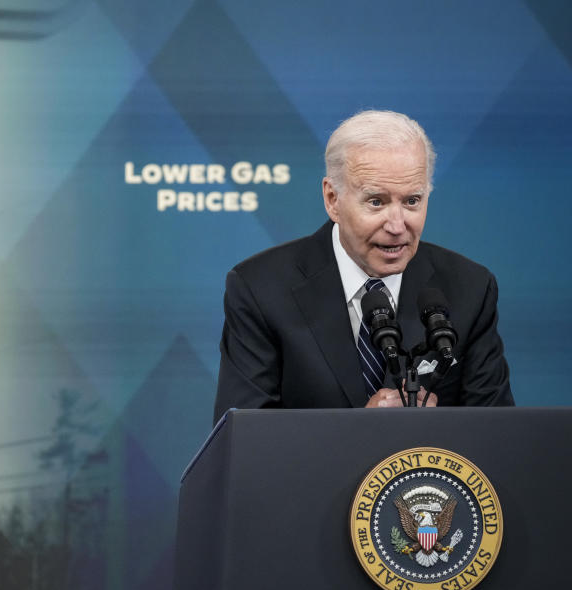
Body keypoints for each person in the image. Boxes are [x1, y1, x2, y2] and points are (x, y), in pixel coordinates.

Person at [213, 110, 513, 421]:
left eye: (412, 201)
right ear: (333, 199)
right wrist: (358, 434)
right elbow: (242, 444)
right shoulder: (261, 290)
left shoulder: (470, 289)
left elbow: (499, 439)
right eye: (376, 202)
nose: (397, 225)